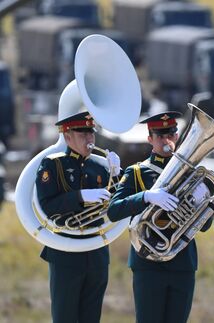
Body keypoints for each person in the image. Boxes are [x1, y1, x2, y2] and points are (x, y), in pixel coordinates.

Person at [108, 111, 211, 323]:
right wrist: (146, 197)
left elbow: (205, 225)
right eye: (160, 136)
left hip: (182, 261)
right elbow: (114, 210)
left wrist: (201, 199)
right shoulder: (137, 172)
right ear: (150, 139)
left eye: (171, 134)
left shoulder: (191, 173)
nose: (167, 140)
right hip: (148, 263)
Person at [35, 111, 121, 323]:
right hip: (66, 251)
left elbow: (119, 205)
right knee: (65, 316)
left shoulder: (100, 167)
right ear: (67, 136)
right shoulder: (53, 164)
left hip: (97, 251)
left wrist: (118, 174)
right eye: (82, 133)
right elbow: (48, 206)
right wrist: (80, 196)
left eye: (91, 133)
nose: (90, 138)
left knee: (92, 317)